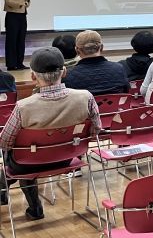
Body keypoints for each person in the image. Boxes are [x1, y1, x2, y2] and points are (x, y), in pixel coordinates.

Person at [0, 47, 100, 219]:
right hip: (66, 157)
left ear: (33, 76)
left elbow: (5, 141)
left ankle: (32, 207)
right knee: (26, 155)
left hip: (27, 163)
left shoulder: (24, 107)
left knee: (21, 156)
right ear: (65, 72)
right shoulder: (86, 97)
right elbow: (95, 130)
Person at [63, 30, 129, 96]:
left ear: (77, 50)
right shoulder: (119, 68)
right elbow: (126, 92)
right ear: (102, 47)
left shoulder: (68, 75)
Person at [4, 0, 30, 70]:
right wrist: (22, 3)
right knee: (12, 40)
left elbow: (28, 3)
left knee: (21, 40)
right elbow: (9, 1)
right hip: (12, 16)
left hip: (22, 16)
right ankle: (11, 64)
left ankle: (20, 63)